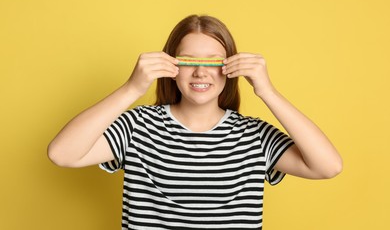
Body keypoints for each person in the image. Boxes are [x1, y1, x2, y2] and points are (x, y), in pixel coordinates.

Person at [48, 15, 342, 229]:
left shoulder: (255, 136)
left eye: (214, 62)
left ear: (229, 69)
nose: (201, 72)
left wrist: (267, 91)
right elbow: (61, 154)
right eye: (188, 62)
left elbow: (328, 166)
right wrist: (132, 88)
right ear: (171, 68)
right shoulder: (138, 126)